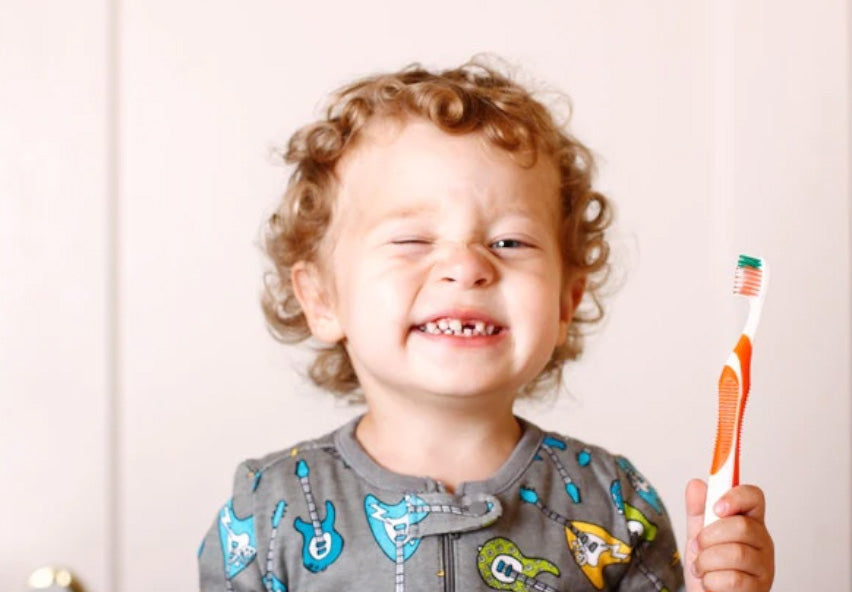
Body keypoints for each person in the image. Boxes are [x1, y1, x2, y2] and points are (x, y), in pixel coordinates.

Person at [198, 58, 775, 592]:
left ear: (564, 301)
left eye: (509, 241)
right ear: (322, 298)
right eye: (412, 240)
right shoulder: (273, 508)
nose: (468, 266)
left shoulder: (614, 503)